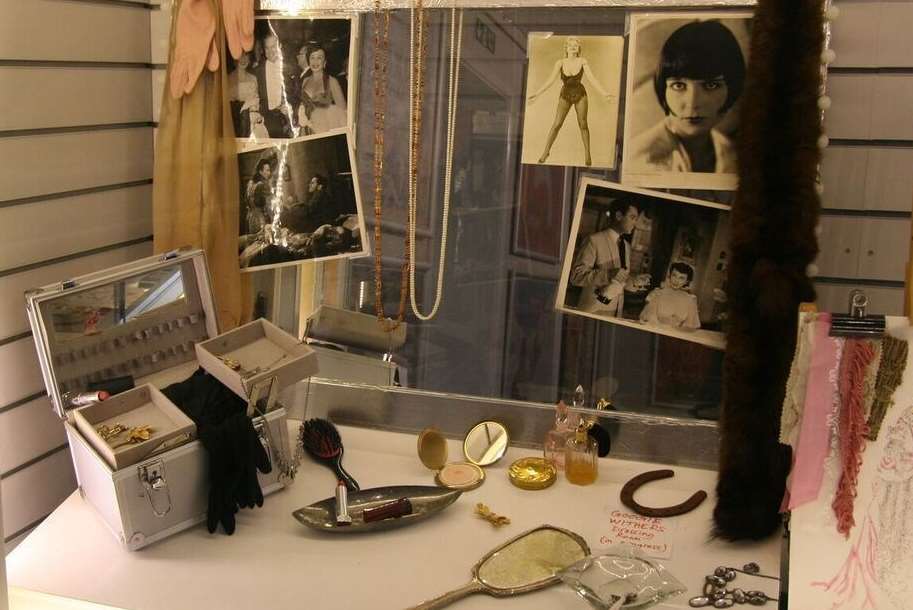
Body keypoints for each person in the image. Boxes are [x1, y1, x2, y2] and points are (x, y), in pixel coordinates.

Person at [627, 20, 745, 174]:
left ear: (732, 89)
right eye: (678, 86)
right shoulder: (638, 162)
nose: (693, 103)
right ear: (663, 89)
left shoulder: (733, 155)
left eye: (710, 85)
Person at [527, 37, 614, 166]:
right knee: (557, 124)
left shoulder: (583, 61)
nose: (573, 47)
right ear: (566, 48)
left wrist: (604, 93)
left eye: (575, 45)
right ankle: (546, 152)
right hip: (565, 94)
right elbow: (550, 80)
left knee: (583, 124)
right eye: (570, 45)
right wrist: (537, 94)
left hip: (580, 94)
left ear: (578, 49)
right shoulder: (560, 63)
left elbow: (592, 79)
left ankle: (587, 154)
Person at [569, 198, 639, 317]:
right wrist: (608, 274)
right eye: (632, 217)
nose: (635, 223)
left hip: (615, 311)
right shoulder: (594, 240)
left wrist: (635, 282)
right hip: (592, 310)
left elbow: (620, 280)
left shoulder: (626, 246)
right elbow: (576, 277)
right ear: (618, 215)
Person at [295, 45, 347, 135]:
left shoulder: (332, 81)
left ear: (325, 62)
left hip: (324, 130)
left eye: (319, 57)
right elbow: (303, 105)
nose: (315, 61)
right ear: (308, 60)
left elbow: (344, 112)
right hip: (306, 130)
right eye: (312, 58)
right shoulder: (305, 81)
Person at [253, 33, 294, 138]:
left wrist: (291, 106)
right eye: (267, 48)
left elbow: (297, 94)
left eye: (273, 47)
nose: (270, 51)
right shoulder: (257, 71)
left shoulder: (290, 68)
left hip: (288, 119)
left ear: (280, 46)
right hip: (266, 120)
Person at [639, 262, 701, 330]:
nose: (676, 281)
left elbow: (689, 325)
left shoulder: (690, 300)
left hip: (677, 336)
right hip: (656, 331)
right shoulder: (657, 294)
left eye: (681, 278)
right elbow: (650, 318)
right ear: (670, 276)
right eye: (674, 275)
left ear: (686, 281)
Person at [228, 51, 265, 138]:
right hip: (240, 123)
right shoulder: (229, 79)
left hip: (256, 120)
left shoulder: (253, 78)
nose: (243, 59)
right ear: (235, 58)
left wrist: (258, 112)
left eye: (246, 56)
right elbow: (229, 107)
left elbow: (258, 100)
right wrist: (247, 104)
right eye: (240, 56)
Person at [245, 159, 274, 234]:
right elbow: (267, 205)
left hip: (251, 220)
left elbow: (248, 202)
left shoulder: (250, 183)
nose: (269, 173)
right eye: (267, 170)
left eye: (269, 170)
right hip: (261, 220)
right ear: (260, 172)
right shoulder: (262, 185)